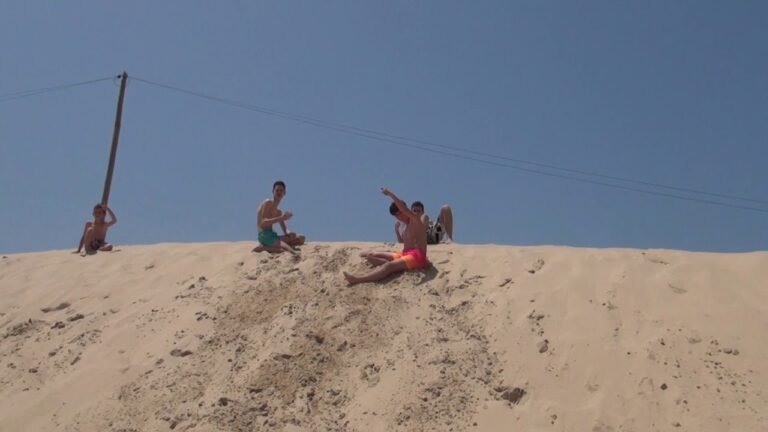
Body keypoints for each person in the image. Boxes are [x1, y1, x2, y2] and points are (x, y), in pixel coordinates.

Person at [344, 188, 428, 285]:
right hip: (405, 253)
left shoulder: (415, 221)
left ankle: (357, 279)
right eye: (396, 215)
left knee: (388, 266)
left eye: (400, 213)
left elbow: (403, 208)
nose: (399, 216)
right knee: (372, 256)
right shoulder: (402, 227)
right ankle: (393, 267)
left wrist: (390, 194)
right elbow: (402, 242)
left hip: (417, 257)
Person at [253, 180, 305, 255]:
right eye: (277, 190)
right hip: (264, 235)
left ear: (284, 193)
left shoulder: (278, 212)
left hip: (273, 235)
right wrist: (281, 218)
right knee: (285, 248)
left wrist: (289, 233)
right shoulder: (268, 202)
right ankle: (264, 248)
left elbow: (285, 230)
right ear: (273, 191)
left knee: (300, 238)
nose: (279, 192)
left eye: (281, 190)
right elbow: (263, 222)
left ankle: (270, 247)